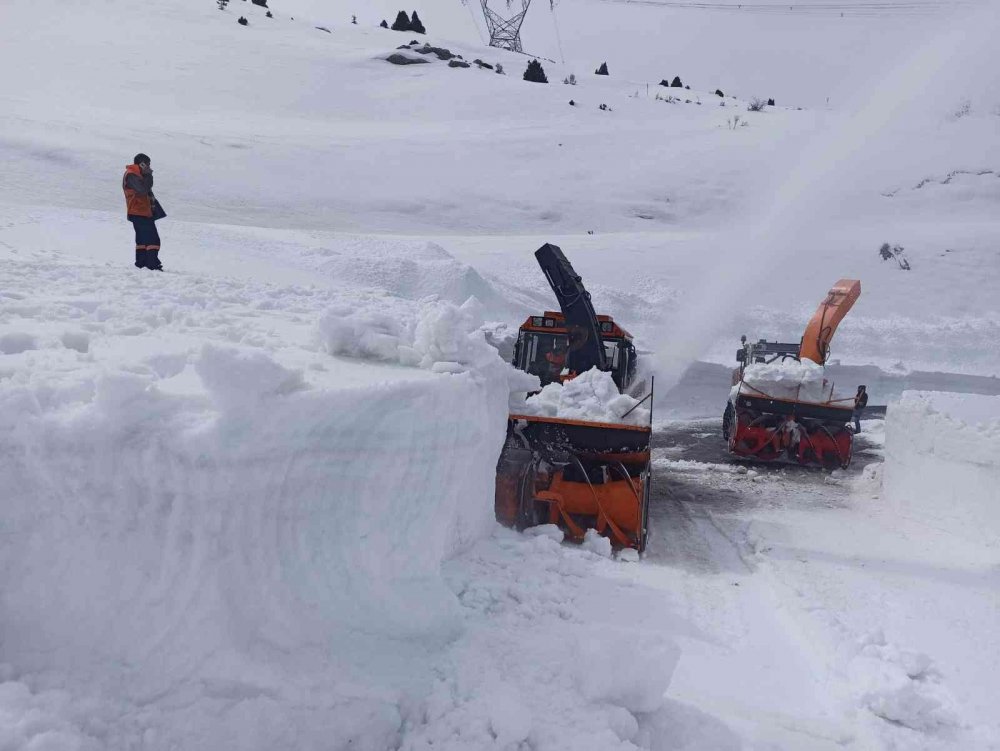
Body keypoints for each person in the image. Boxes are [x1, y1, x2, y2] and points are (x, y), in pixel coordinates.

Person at [122, 153, 166, 270]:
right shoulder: (132, 174)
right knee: (152, 239)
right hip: (139, 211)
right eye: (148, 164)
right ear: (142, 163)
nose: (149, 167)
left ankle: (142, 263)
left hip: (140, 212)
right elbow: (142, 190)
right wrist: (148, 176)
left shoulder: (135, 174)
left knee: (142, 240)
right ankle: (152, 264)